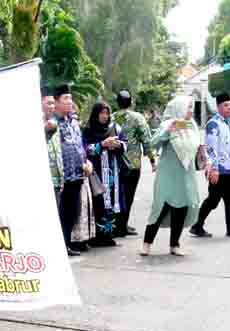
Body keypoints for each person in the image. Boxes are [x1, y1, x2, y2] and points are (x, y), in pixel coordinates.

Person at [142, 96, 205, 256]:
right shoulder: (167, 124)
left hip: (186, 174)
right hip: (168, 174)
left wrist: (205, 157)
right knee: (160, 208)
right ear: (179, 109)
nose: (191, 111)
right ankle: (147, 243)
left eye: (191, 108)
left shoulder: (193, 126)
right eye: (188, 108)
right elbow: (153, 143)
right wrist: (169, 131)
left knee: (182, 208)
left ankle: (174, 244)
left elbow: (199, 146)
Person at [190, 93, 230, 238]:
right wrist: (213, 168)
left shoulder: (227, 123)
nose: (229, 107)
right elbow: (211, 149)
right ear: (218, 107)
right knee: (213, 200)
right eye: (225, 105)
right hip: (218, 170)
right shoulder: (213, 124)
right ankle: (197, 226)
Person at [53, 85, 93, 256]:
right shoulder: (53, 123)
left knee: (72, 212)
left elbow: (79, 145)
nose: (70, 102)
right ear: (56, 102)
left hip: (78, 174)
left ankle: (67, 244)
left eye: (70, 98)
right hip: (63, 177)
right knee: (60, 213)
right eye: (65, 98)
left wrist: (87, 161)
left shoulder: (73, 122)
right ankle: (59, 247)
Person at [83, 102, 129, 247]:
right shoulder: (88, 130)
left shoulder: (115, 128)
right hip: (96, 173)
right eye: (102, 113)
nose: (105, 116)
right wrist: (101, 145)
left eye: (107, 113)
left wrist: (118, 145)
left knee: (111, 204)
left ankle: (108, 235)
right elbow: (85, 149)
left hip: (112, 172)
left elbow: (125, 143)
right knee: (98, 202)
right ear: (96, 114)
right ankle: (96, 236)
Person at [112, 90, 155, 237]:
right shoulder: (138, 118)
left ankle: (118, 224)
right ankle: (122, 226)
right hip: (133, 163)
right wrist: (152, 159)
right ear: (130, 102)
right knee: (128, 196)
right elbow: (146, 140)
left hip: (116, 163)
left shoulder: (111, 118)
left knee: (118, 195)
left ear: (117, 103)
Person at [42, 87, 64, 206]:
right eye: (48, 103)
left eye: (53, 103)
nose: (52, 107)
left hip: (57, 182)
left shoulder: (55, 123)